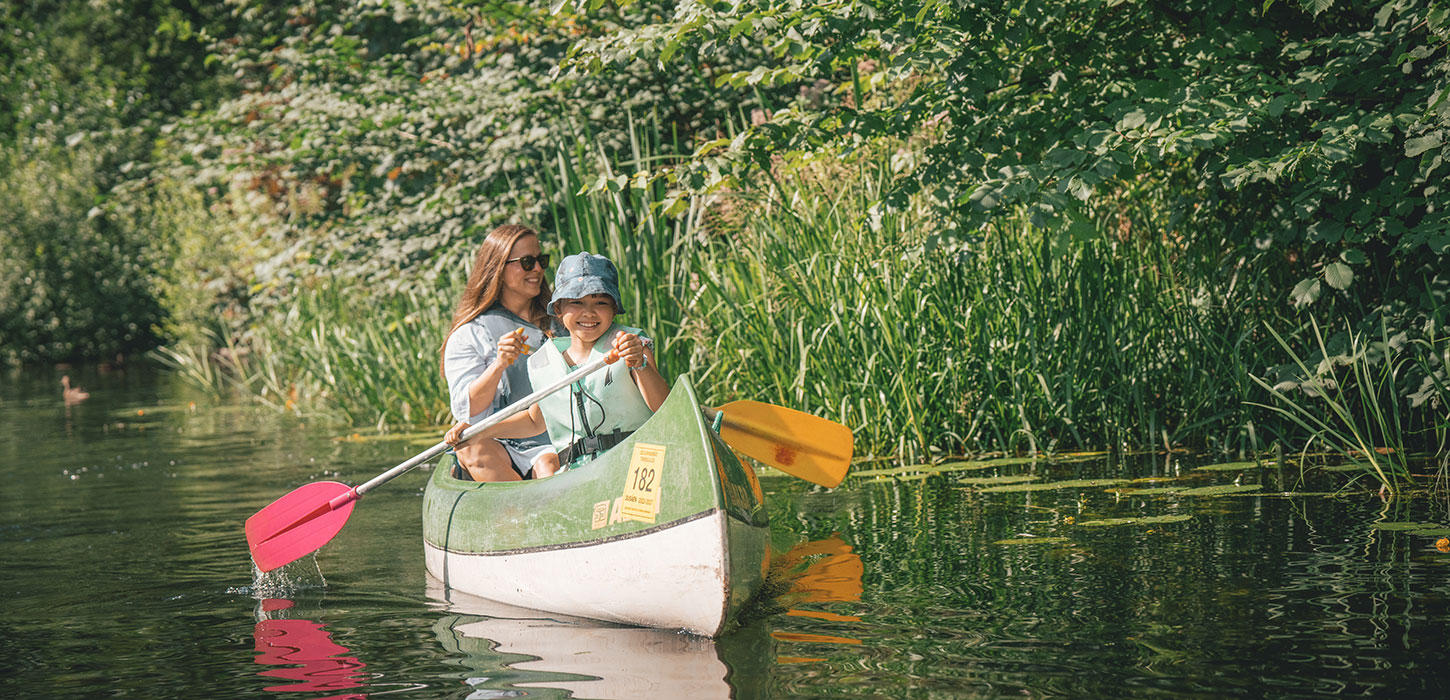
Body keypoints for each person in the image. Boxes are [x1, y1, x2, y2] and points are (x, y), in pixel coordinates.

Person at [444, 252, 668, 473]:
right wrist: (479, 430)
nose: (589, 312)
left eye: (600, 302)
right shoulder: (544, 363)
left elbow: (663, 407)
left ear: (614, 309)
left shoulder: (631, 345)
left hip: (635, 461)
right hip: (580, 471)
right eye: (577, 302)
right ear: (558, 309)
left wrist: (639, 364)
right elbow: (534, 421)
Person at [440, 224, 560, 482]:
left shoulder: (564, 320)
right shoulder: (470, 334)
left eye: (541, 260)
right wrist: (499, 364)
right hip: (500, 443)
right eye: (526, 262)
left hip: (553, 439)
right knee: (472, 449)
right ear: (498, 268)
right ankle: (519, 502)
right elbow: (469, 412)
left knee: (547, 467)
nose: (537, 269)